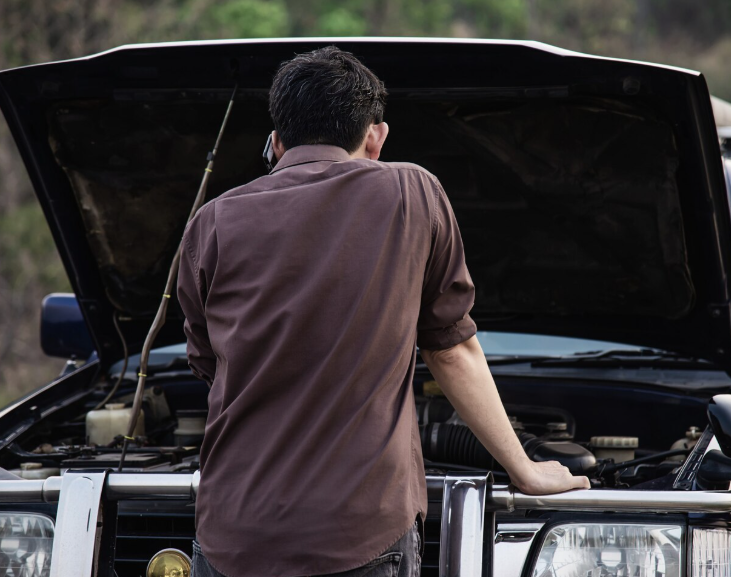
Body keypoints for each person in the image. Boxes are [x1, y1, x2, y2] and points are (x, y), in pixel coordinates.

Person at [177, 45, 589, 577]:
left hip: (232, 537)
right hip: (357, 536)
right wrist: (524, 468)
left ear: (276, 142)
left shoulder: (210, 223)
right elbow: (452, 349)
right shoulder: (410, 192)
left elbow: (209, 366)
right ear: (376, 137)